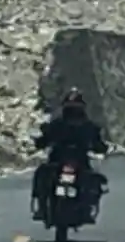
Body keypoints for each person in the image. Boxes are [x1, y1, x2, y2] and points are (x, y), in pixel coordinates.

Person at [32, 88, 110, 221]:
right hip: (61, 162)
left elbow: (98, 144)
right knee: (42, 176)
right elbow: (44, 139)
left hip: (70, 162)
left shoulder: (81, 126)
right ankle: (43, 205)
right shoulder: (66, 125)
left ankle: (83, 207)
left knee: (92, 181)